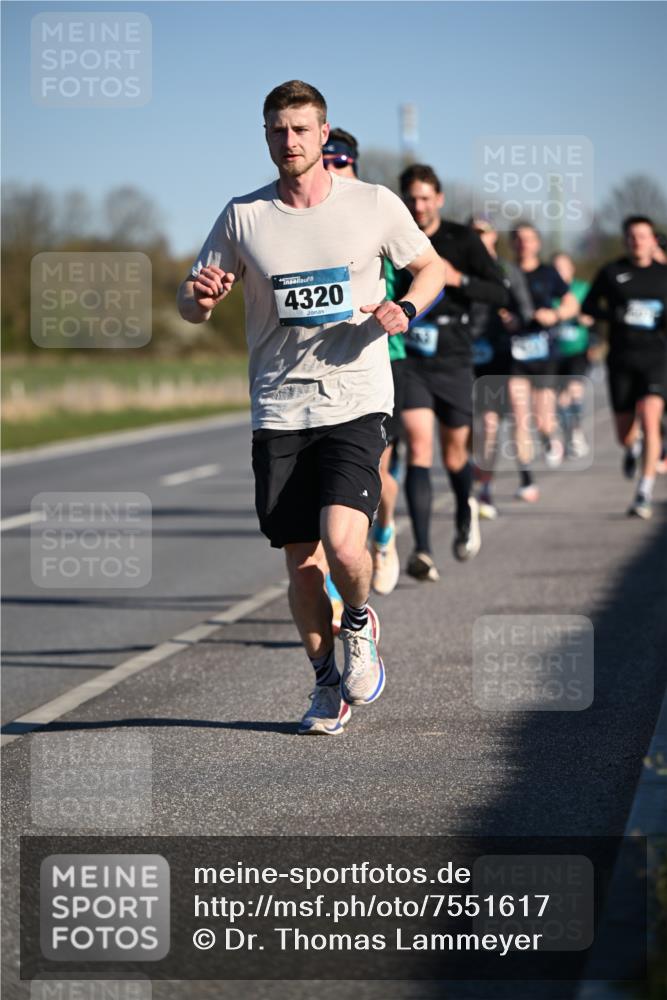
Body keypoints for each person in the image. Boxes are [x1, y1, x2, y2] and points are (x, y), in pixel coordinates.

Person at [177, 81, 445, 734]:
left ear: (325, 136)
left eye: (300, 128)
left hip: (355, 399)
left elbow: (431, 268)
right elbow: (190, 303)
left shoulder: (373, 204)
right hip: (278, 409)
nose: (288, 140)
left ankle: (356, 620)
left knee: (343, 544)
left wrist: (404, 307)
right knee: (300, 566)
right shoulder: (244, 216)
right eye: (276, 130)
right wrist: (200, 295)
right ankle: (327, 685)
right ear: (266, 136)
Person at [397, 165, 508, 580]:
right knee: (419, 447)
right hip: (411, 357)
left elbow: (499, 291)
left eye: (425, 198)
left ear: (439, 199)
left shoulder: (463, 239)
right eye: (411, 198)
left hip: (455, 355)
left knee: (455, 452)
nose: (418, 206)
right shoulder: (393, 236)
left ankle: (465, 510)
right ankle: (422, 550)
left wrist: (456, 278)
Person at [323, 128, 405, 596]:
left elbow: (425, 276)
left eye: (340, 160)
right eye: (326, 161)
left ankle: (386, 532)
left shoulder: (378, 213)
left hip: (384, 360)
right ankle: (338, 585)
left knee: (376, 473)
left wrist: (407, 310)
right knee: (325, 483)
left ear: (353, 163)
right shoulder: (307, 218)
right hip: (325, 364)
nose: (332, 168)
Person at [582, 215, 667, 518]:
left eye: (643, 236)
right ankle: (633, 449)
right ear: (625, 240)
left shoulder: (663, 274)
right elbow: (588, 305)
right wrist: (613, 315)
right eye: (631, 236)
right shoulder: (612, 272)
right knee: (625, 434)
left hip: (656, 358)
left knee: (650, 415)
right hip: (621, 358)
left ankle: (643, 492)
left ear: (653, 240)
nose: (637, 241)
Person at [468, 216, 534, 519]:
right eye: (473, 232)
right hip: (473, 354)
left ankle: (524, 476)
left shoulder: (508, 270)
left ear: (494, 237)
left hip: (507, 354)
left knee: (518, 417)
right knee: (486, 426)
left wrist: (516, 321)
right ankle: (484, 485)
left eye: (484, 232)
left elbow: (526, 310)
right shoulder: (459, 269)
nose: (479, 237)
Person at [509, 224, 580, 501]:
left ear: (537, 243)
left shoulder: (549, 274)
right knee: (519, 415)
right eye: (518, 239)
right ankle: (526, 479)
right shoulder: (505, 273)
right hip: (515, 355)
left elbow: (572, 304)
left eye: (528, 239)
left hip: (544, 356)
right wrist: (506, 318)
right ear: (512, 244)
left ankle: (550, 436)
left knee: (541, 419)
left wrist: (555, 315)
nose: (523, 244)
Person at [551, 252, 593, 459]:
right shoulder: (547, 289)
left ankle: (576, 430)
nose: (559, 272)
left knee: (574, 392)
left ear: (572, 269)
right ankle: (569, 432)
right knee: (560, 401)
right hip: (554, 351)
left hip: (578, 350)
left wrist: (582, 316)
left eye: (563, 267)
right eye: (555, 268)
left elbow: (592, 316)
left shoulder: (582, 288)